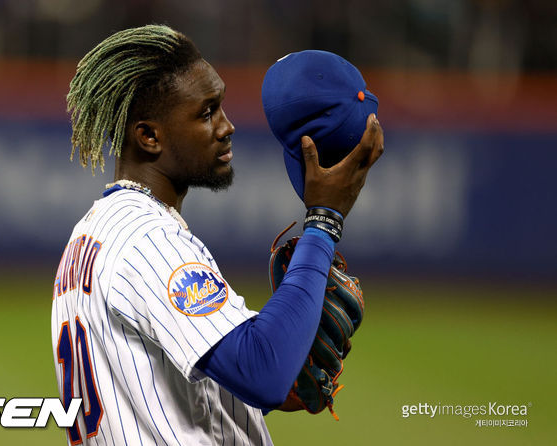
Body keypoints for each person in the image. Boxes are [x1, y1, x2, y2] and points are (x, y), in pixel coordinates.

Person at [51, 24, 383, 446]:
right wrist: (323, 221)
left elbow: (174, 388)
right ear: (149, 137)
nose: (226, 127)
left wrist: (284, 367)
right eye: (206, 112)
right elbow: (263, 372)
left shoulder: (93, 234)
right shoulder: (147, 240)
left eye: (221, 106)